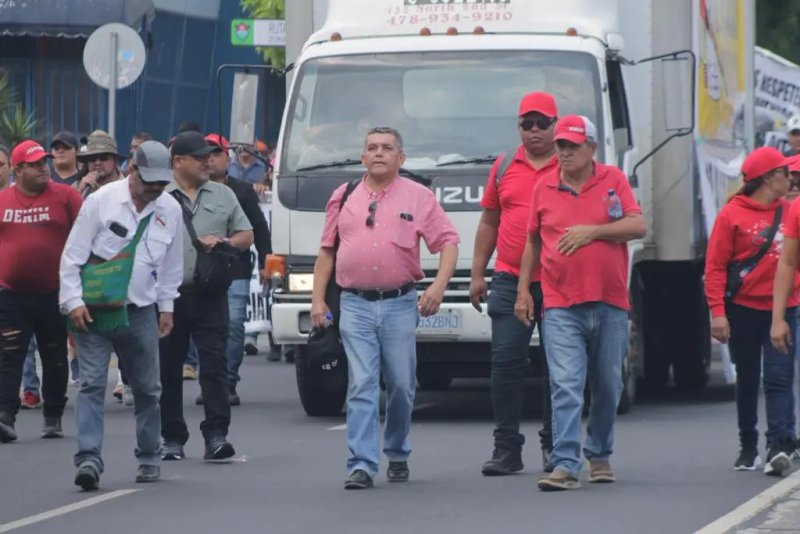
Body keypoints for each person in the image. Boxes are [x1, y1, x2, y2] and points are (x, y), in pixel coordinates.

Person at [311, 126, 460, 490]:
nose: (378, 153)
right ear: (363, 157)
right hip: (354, 304)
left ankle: (396, 450)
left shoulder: (419, 197)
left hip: (400, 304)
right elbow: (327, 251)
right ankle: (361, 463)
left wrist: (438, 287)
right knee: (361, 383)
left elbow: (449, 243)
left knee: (401, 383)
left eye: (387, 148)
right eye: (372, 148)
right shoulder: (343, 196)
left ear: (400, 158)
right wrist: (316, 300)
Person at [514, 116, 646, 491]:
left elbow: (638, 226)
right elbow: (533, 242)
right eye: (561, 146)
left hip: (610, 300)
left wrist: (594, 232)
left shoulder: (613, 181)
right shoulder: (544, 187)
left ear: (592, 148)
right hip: (560, 302)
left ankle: (599, 453)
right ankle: (566, 464)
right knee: (566, 384)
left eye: (572, 146)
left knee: (607, 384)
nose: (565, 153)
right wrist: (524, 290)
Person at [60, 140, 183, 489]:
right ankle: (88, 460)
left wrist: (167, 307)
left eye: (162, 183)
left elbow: (172, 266)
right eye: (150, 183)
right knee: (92, 385)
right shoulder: (101, 202)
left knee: (147, 388)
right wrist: (73, 302)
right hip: (94, 312)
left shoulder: (169, 209)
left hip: (141, 311)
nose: (156, 190)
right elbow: (72, 256)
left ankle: (148, 455)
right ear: (132, 171)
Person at [470, 92, 558, 476]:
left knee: (560, 366)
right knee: (505, 364)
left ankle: (557, 446)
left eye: (542, 123)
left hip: (558, 280)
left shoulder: (570, 163)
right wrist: (477, 273)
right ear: (518, 127)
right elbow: (490, 221)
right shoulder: (505, 165)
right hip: (507, 276)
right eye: (527, 123)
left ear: (555, 125)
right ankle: (507, 448)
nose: (535, 130)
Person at [159, 131, 253, 462]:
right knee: (168, 369)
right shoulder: (159, 197)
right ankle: (171, 437)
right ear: (178, 162)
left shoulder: (223, 194)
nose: (207, 161)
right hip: (167, 297)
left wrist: (226, 242)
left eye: (209, 156)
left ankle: (216, 435)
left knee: (214, 366)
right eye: (199, 157)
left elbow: (247, 234)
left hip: (211, 295)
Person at [717, 149, 794, 477]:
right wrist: (717, 312)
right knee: (748, 378)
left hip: (786, 308)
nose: (791, 180)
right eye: (785, 173)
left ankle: (777, 445)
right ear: (768, 178)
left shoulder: (791, 211)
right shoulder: (731, 215)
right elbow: (716, 266)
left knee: (779, 377)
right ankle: (748, 445)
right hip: (743, 309)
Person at [0, 140, 82, 443]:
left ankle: (53, 415)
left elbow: (85, 234)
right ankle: (5, 416)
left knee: (54, 355)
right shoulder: (2, 201)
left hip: (54, 292)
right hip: (11, 295)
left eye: (43, 162)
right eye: (34, 164)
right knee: (9, 356)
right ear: (18, 170)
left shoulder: (66, 196)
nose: (43, 168)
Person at [204, 134, 272, 405]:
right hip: (201, 271)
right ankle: (210, 382)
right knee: (207, 330)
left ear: (227, 157)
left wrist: (268, 262)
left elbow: (260, 230)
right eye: (204, 155)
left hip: (236, 268)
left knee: (233, 325)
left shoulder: (242, 191)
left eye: (215, 153)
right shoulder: (192, 190)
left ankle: (228, 382)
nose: (210, 159)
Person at [76, 130, 125, 197]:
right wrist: (79, 192)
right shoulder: (78, 186)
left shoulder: (128, 187)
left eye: (104, 157)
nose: (97, 163)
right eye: (92, 158)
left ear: (115, 161)